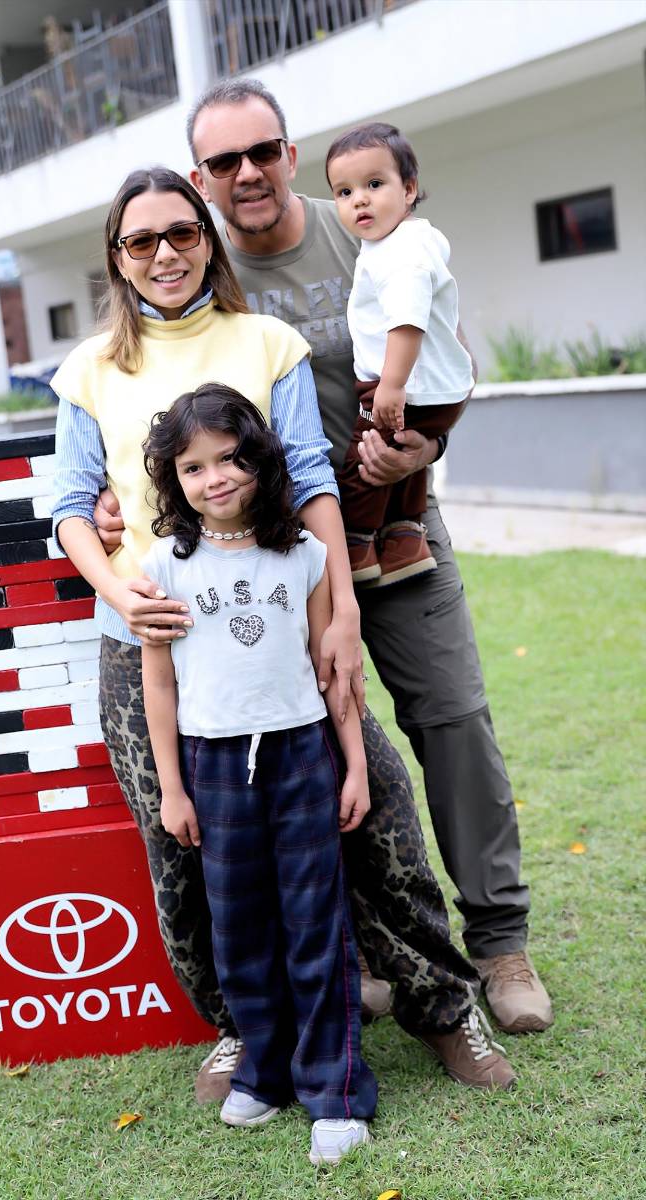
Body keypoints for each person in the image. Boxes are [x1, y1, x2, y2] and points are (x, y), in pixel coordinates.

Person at [96, 78, 552, 1038]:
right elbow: (154, 391)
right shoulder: (194, 263)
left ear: (291, 154)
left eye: (264, 151)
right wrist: (120, 486)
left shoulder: (362, 223)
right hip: (265, 562)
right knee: (299, 744)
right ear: (200, 178)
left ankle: (501, 942)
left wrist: (423, 448)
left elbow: (444, 358)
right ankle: (353, 948)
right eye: (224, 162)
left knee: (453, 719)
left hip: (394, 532)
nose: (248, 173)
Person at [141, 384, 377, 1164]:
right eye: (194, 467)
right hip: (213, 766)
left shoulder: (302, 554)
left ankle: (335, 1091)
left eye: (231, 458)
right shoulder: (165, 567)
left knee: (316, 923)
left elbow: (330, 669)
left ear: (260, 459)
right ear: (174, 481)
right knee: (239, 925)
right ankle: (265, 1071)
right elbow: (160, 683)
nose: (216, 478)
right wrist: (173, 788)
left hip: (301, 753)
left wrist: (355, 769)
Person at [325, 122, 473, 587]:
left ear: (409, 189)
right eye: (344, 191)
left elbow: (406, 321)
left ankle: (356, 545)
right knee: (403, 459)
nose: (359, 200)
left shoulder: (399, 254)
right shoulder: (413, 240)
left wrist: (391, 385)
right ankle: (407, 540)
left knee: (364, 461)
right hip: (441, 390)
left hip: (403, 387)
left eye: (374, 184)